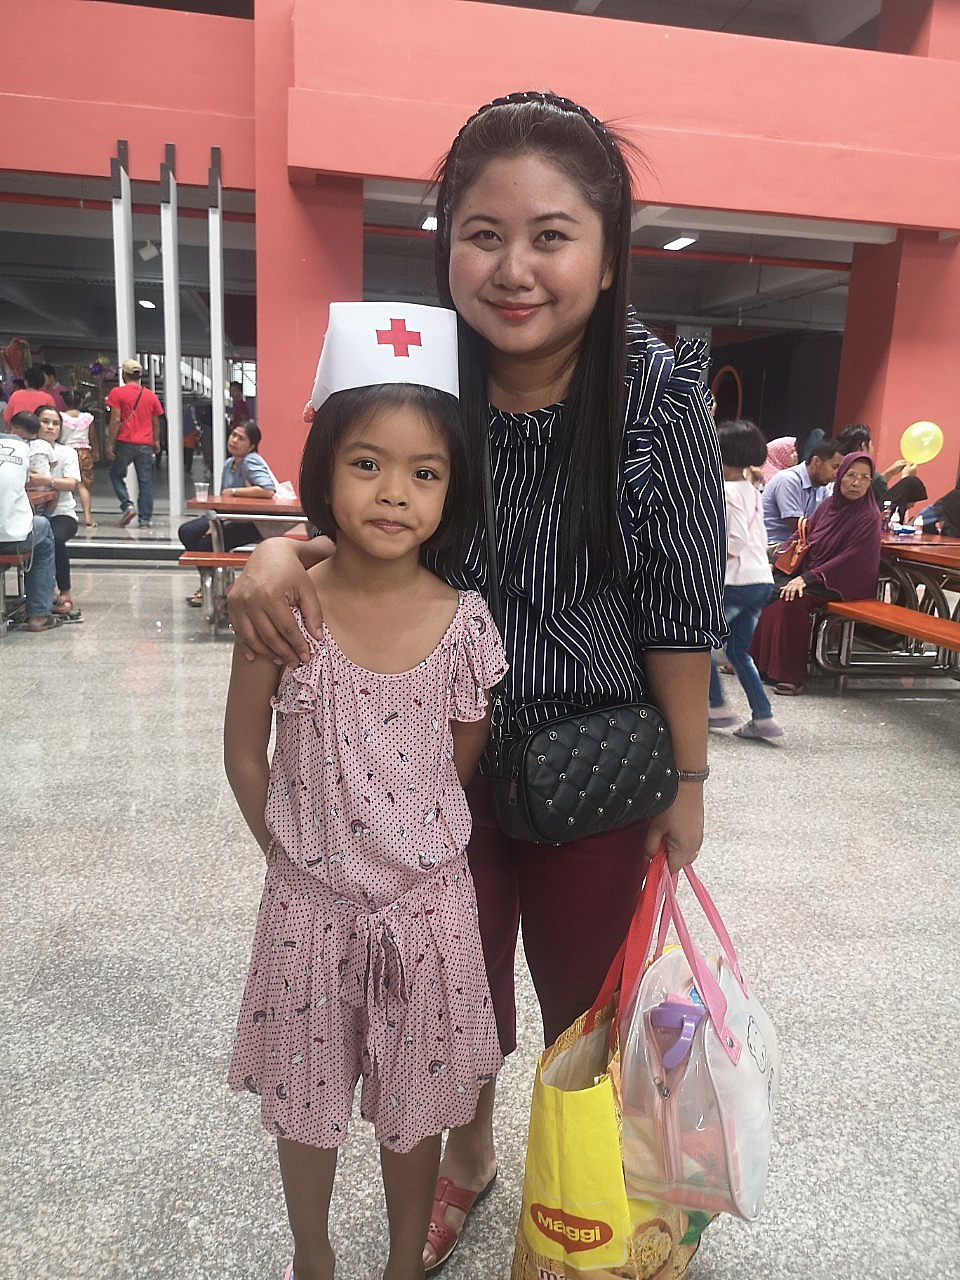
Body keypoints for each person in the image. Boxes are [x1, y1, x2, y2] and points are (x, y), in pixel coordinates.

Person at [226, 91, 726, 1272]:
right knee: (453, 994)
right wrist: (281, 549)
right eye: (483, 234)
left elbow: (680, 608)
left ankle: (583, 1184)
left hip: (591, 763)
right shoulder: (423, 367)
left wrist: (690, 776)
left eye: (552, 236)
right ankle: (468, 1153)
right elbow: (370, 509)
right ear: (445, 242)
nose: (514, 269)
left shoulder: (658, 396)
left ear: (608, 256)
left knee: (584, 998)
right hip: (430, 767)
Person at [224, 302, 507, 1280]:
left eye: (425, 472)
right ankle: (313, 1255)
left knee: (415, 1109)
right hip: (306, 910)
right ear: (324, 470)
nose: (395, 492)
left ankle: (399, 1261)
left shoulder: (465, 622)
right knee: (305, 1107)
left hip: (428, 911)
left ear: (452, 488)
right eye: (367, 463)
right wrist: (294, 855)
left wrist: (403, 840)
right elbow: (244, 751)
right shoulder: (287, 609)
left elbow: (458, 752)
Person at [750, 451, 882, 695]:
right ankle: (756, 664)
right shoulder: (828, 506)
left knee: (792, 598)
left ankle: (792, 676)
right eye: (851, 475)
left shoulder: (869, 516)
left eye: (864, 477)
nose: (856, 483)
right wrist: (776, 562)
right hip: (812, 573)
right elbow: (803, 534)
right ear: (840, 477)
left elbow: (852, 558)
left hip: (841, 581)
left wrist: (807, 578)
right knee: (763, 589)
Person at [707, 421, 782, 744]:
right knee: (738, 651)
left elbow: (734, 540)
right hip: (761, 581)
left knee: (701, 644)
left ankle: (716, 706)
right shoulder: (751, 490)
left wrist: (710, 563)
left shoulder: (725, 493)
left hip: (735, 582)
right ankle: (763, 717)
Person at [178, 422, 278, 607]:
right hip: (230, 517)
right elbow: (224, 502)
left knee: (207, 544)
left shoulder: (251, 460)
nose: (234, 440)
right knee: (187, 532)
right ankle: (212, 583)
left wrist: (233, 491)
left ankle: (213, 588)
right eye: (233, 435)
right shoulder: (228, 463)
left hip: (253, 522)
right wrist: (214, 524)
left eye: (241, 438)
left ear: (251, 446)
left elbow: (268, 490)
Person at [0, 417, 58, 632]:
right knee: (44, 530)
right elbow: (24, 482)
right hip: (12, 540)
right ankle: (40, 613)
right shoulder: (22, 449)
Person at [105, 358, 163, 528]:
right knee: (145, 481)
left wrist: (109, 444)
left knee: (116, 474)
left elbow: (115, 420)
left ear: (124, 374)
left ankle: (127, 505)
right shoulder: (151, 395)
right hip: (145, 444)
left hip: (124, 442)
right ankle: (145, 520)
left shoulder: (117, 393)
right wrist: (156, 440)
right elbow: (155, 422)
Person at [36, 406, 82, 619]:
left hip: (62, 514)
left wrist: (47, 480)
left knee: (54, 538)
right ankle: (38, 593)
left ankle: (64, 591)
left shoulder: (67, 452)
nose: (50, 427)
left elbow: (71, 483)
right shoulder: (25, 450)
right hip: (31, 512)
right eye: (45, 421)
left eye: (55, 423)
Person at [761, 437, 844, 547]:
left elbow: (825, 522)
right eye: (834, 467)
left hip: (797, 547)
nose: (836, 474)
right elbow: (799, 530)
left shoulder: (822, 487)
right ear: (816, 461)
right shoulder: (788, 480)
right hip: (773, 547)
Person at [59, 388, 98, 527]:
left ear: (65, 402)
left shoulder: (61, 417)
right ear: (81, 402)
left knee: (64, 484)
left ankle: (65, 514)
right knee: (83, 486)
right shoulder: (87, 418)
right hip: (84, 452)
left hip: (65, 451)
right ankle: (87, 517)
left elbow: (58, 435)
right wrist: (96, 451)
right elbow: (93, 436)